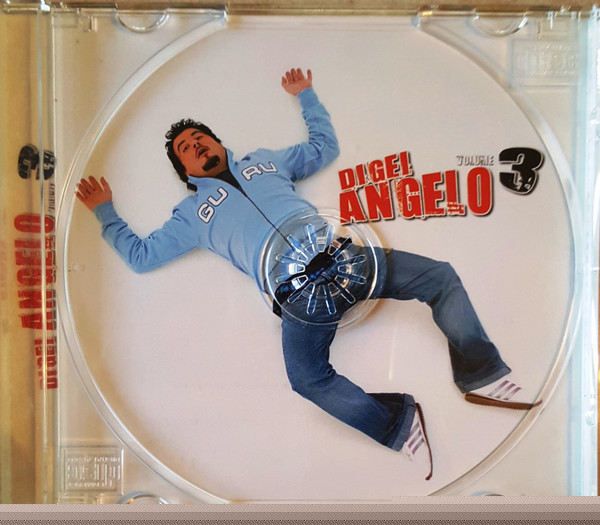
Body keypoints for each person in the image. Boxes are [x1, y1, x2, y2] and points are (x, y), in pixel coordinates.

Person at [76, 68, 540, 481]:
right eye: (186, 148)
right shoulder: (192, 215)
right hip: (298, 297)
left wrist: (306, 95)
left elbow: (323, 148)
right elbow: (141, 256)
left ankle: (481, 375)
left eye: (200, 137)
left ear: (217, 143)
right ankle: (398, 424)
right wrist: (105, 213)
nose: (196, 145)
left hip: (344, 259)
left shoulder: (265, 161)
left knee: (440, 277)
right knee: (306, 378)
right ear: (185, 170)